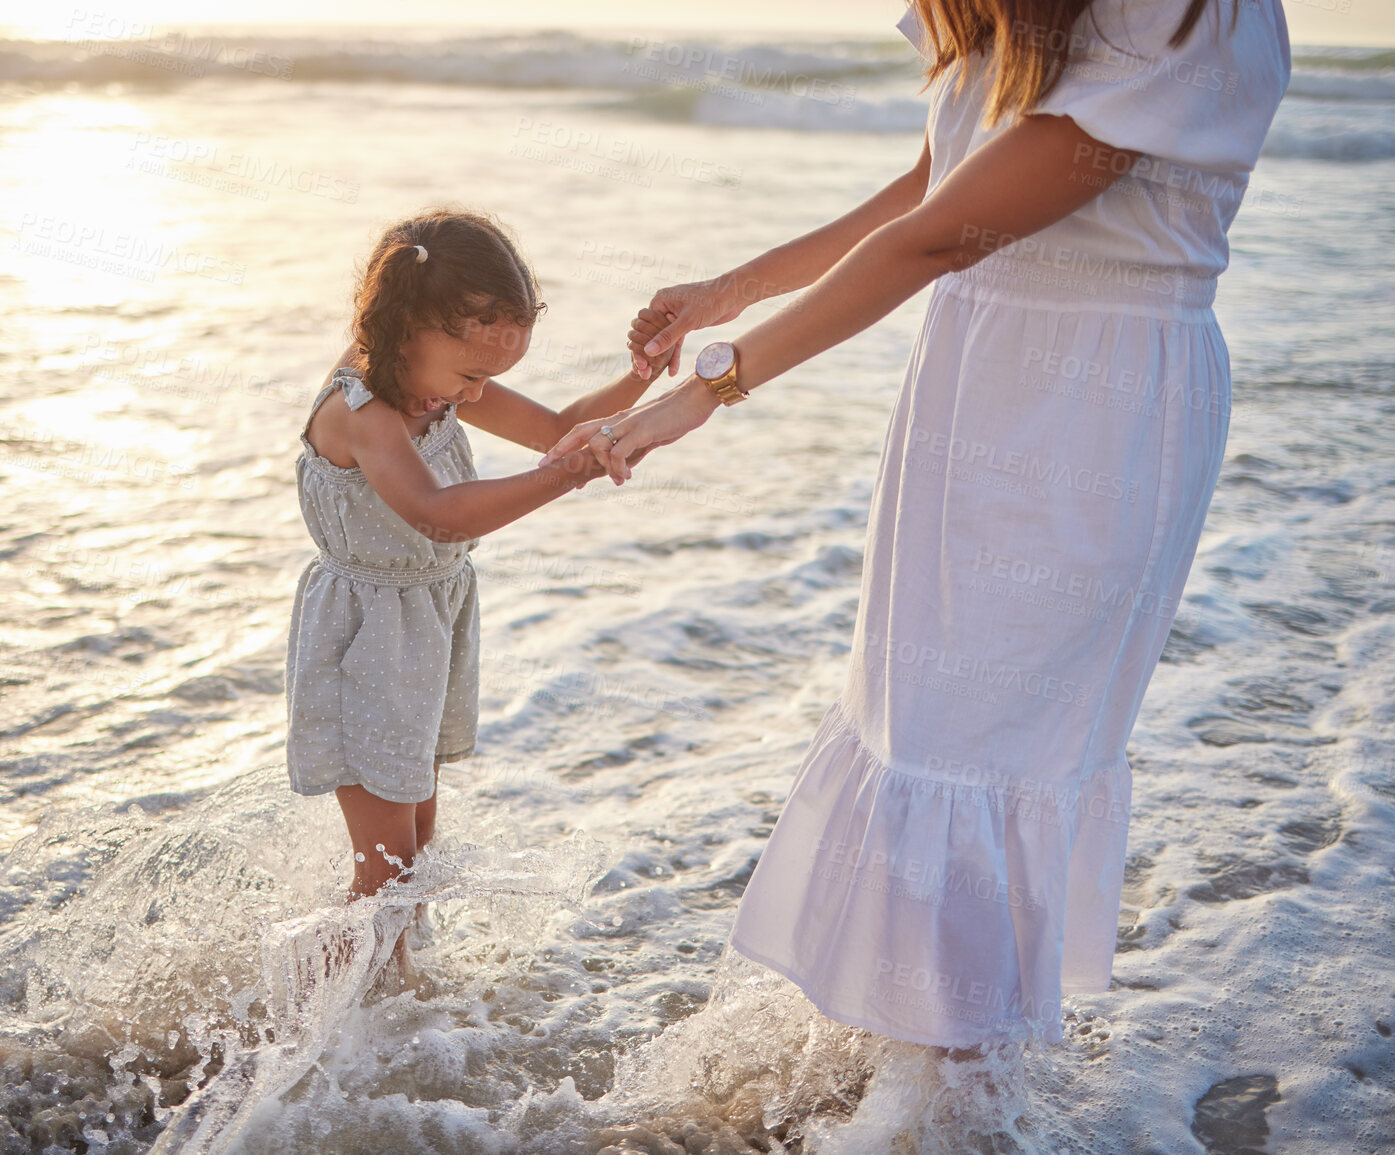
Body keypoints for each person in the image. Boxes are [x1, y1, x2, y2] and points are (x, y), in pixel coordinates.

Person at [543, 0, 1291, 1046]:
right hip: (973, 379)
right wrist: (733, 290)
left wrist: (702, 393)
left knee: (980, 752)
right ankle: (923, 1073)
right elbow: (933, 183)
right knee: (918, 735)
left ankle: (969, 1094)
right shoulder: (1021, 14)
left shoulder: (1178, 17)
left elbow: (939, 236)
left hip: (1090, 407)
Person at [287, 209, 655, 975]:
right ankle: (299, 1018)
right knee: (386, 872)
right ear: (406, 326)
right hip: (368, 640)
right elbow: (437, 514)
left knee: (417, 854)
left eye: (489, 380)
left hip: (427, 622)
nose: (477, 393)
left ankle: (390, 1004)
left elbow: (556, 423)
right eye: (472, 377)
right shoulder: (365, 412)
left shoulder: (432, 377)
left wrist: (642, 379)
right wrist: (565, 474)